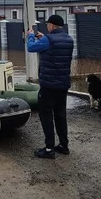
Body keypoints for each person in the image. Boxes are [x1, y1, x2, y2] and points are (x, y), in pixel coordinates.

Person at [26, 14, 75, 159]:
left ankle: (48, 149)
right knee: (60, 114)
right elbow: (55, 50)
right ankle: (63, 145)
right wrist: (44, 38)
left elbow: (31, 48)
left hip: (48, 85)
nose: (47, 26)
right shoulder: (69, 39)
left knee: (46, 115)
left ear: (52, 26)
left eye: (48, 24)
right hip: (63, 84)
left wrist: (30, 36)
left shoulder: (48, 39)